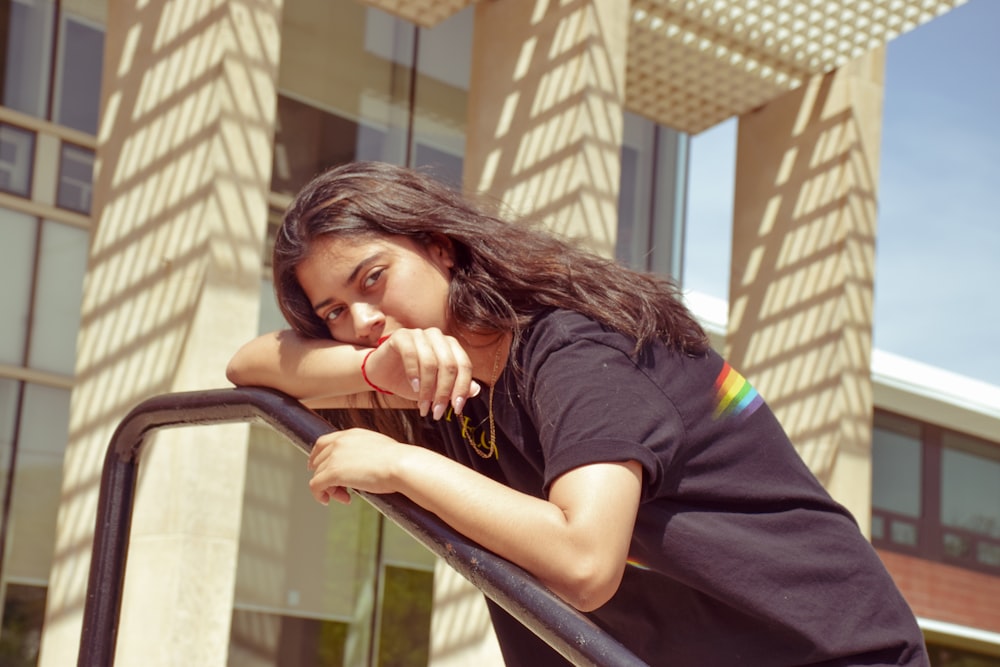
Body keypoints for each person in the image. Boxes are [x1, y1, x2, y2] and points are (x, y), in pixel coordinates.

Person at [226, 160, 929, 666]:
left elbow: (584, 560)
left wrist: (402, 461)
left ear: (439, 246)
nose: (362, 318)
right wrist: (372, 370)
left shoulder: (573, 348)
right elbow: (249, 364)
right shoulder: (444, 380)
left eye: (372, 278)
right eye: (335, 312)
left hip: (830, 651)